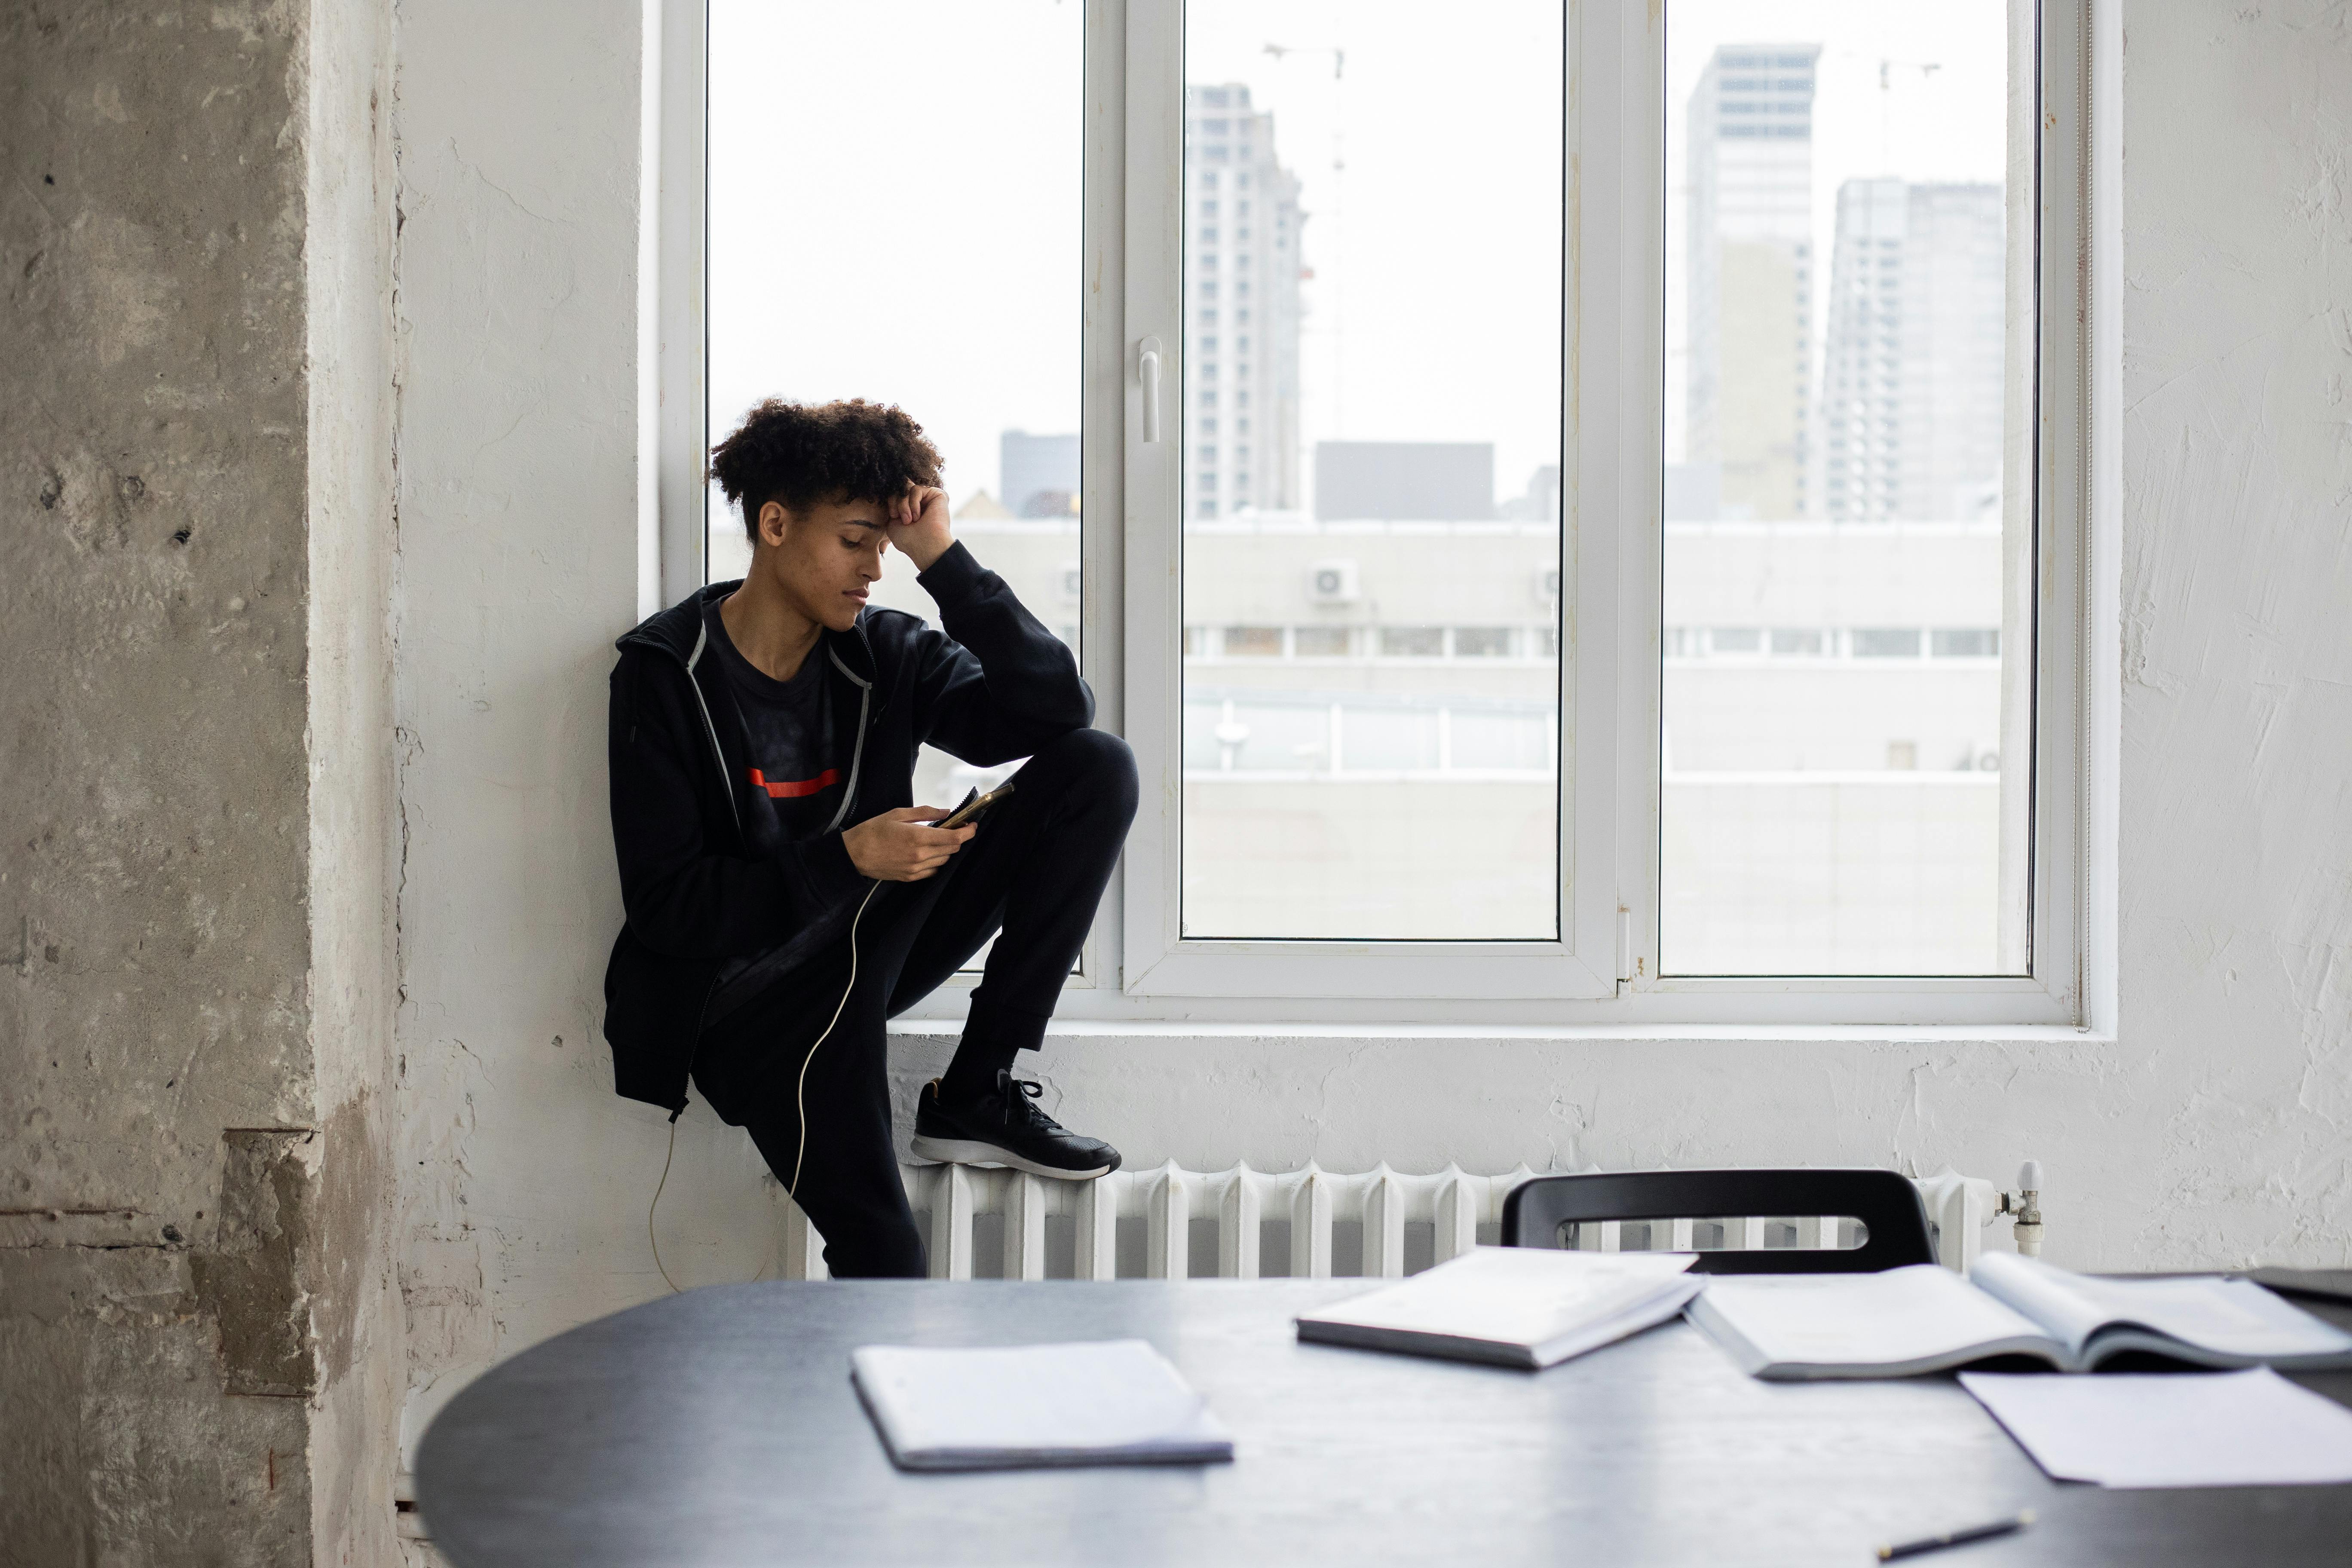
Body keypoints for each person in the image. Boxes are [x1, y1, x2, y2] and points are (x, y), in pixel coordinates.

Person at [603, 398, 1136, 1278]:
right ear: (774, 525)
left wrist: (944, 557)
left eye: (886, 548)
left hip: (874, 941)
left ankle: (976, 1092)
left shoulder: (883, 651)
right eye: (856, 542)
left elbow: (1054, 712)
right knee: (887, 1261)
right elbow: (668, 908)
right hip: (760, 1007)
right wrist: (847, 857)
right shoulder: (667, 676)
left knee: (1096, 766)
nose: (874, 571)